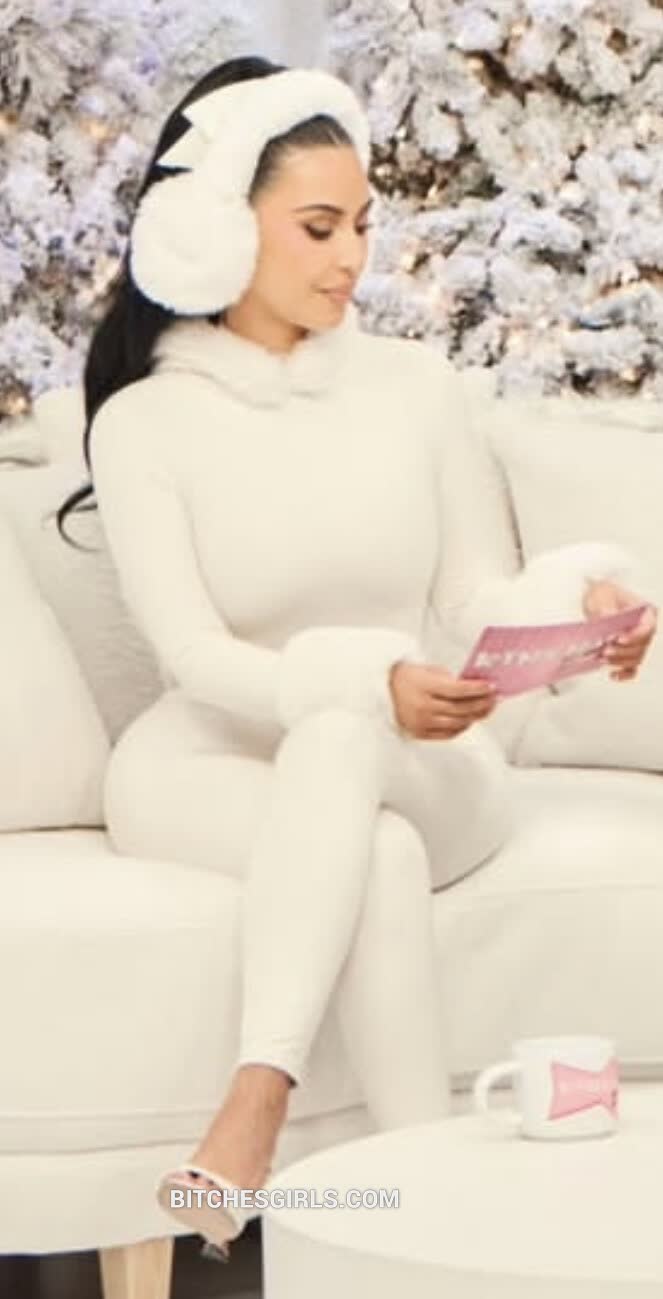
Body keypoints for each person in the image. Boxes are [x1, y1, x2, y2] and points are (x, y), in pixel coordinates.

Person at [55, 56, 657, 1261]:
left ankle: (252, 1108)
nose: (351, 260)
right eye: (319, 227)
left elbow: (472, 599)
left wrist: (580, 601)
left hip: (428, 761)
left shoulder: (414, 388)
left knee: (345, 745)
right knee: (364, 833)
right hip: (205, 763)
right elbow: (193, 655)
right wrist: (363, 680)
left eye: (364, 225)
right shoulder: (144, 424)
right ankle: (427, 1237)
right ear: (217, 229)